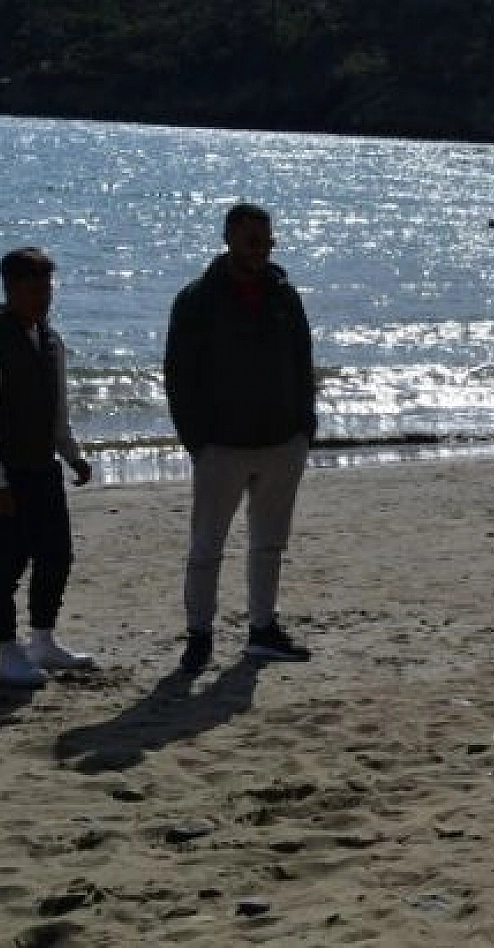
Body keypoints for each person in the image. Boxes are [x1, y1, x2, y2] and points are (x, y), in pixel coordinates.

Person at [164, 203, 317, 673]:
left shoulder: (285, 296)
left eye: (267, 241)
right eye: (253, 240)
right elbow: (178, 375)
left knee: (269, 543)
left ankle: (262, 629)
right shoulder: (197, 299)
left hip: (281, 443)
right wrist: (197, 440)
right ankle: (200, 634)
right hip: (221, 447)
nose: (262, 249)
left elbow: (302, 362)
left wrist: (304, 427)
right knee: (207, 545)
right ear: (229, 239)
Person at [0, 247, 96, 687]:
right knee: (3, 564)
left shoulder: (50, 341)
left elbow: (56, 411)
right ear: (10, 288)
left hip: (42, 468)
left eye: (47, 287)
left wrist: (72, 454)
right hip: (0, 474)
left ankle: (42, 640)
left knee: (56, 556)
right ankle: (7, 652)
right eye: (33, 288)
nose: (43, 297)